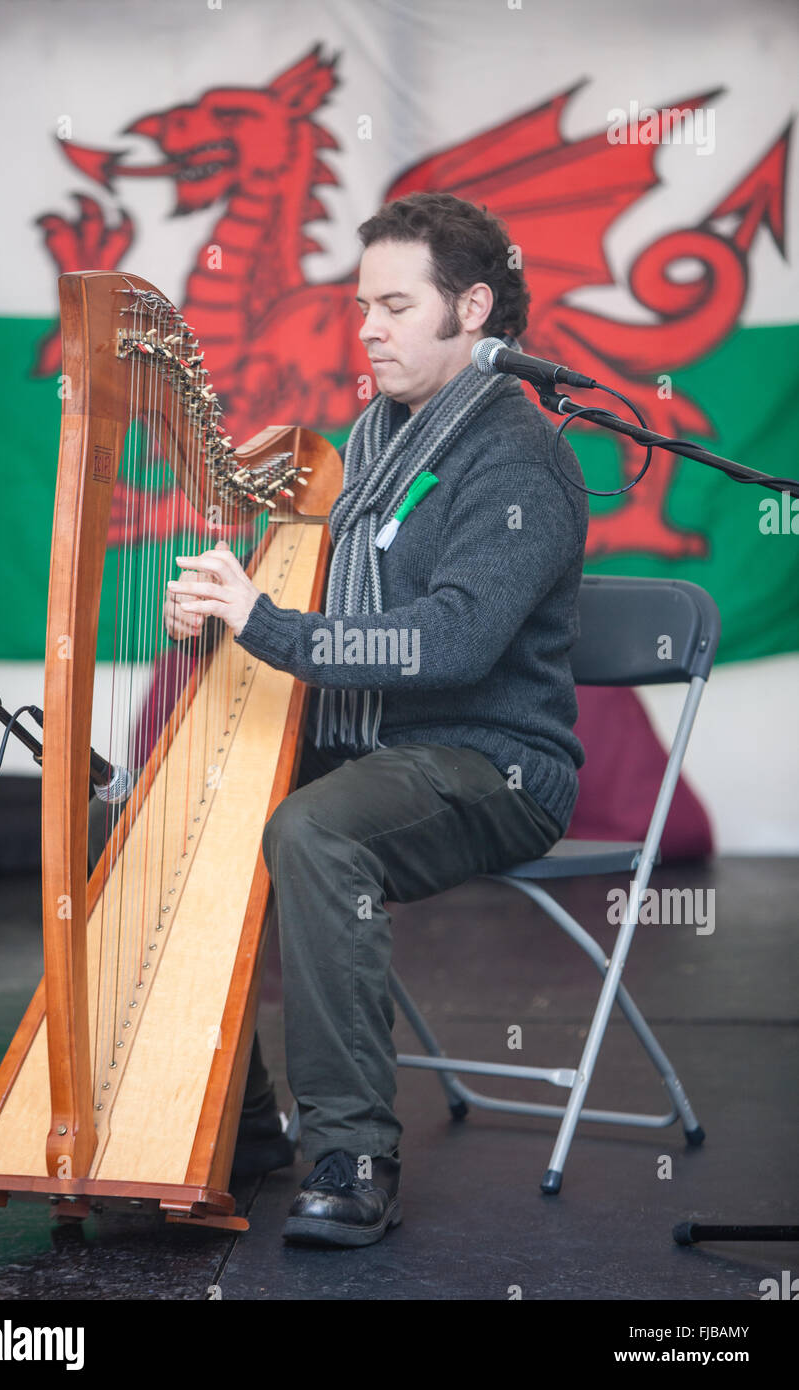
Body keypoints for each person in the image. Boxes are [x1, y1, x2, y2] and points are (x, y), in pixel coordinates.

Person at [164, 191, 589, 1247]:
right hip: (378, 746)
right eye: (363, 306)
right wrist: (219, 620)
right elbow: (333, 615)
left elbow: (449, 644)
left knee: (315, 829)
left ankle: (352, 1151)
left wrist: (268, 624)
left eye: (396, 305)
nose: (368, 328)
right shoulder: (375, 442)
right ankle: (243, 1123)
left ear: (472, 307)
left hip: (496, 762)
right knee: (165, 812)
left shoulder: (517, 459)